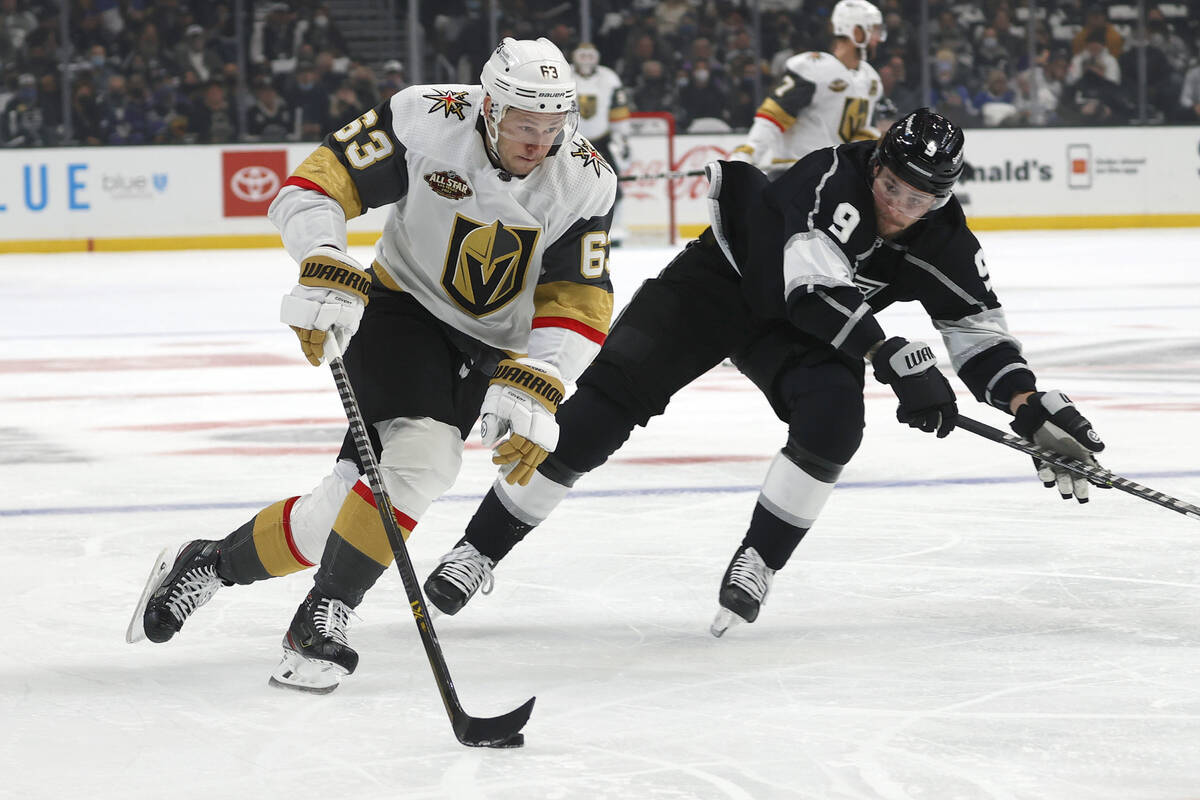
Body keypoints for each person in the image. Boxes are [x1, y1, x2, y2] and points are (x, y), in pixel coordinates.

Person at [422, 108, 1108, 638]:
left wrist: (1027, 402)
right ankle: (477, 549)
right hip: (718, 284)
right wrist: (892, 356)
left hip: (803, 334)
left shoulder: (946, 238)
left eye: (921, 200)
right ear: (876, 166)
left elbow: (976, 331)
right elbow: (809, 288)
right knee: (599, 412)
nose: (901, 208)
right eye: (893, 187)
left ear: (945, 197)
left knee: (835, 426)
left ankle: (760, 558)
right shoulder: (830, 176)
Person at [127, 37, 617, 693]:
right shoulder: (427, 118)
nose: (538, 141)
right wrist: (324, 257)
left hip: (492, 345)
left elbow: (580, 296)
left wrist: (542, 377)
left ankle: (209, 564)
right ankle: (321, 619)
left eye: (552, 127)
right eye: (526, 125)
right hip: (402, 311)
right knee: (424, 460)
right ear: (492, 109)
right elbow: (314, 184)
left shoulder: (584, 179)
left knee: (344, 504)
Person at [730, 0, 885, 175]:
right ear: (857, 32)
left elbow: (859, 135)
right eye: (874, 30)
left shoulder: (870, 79)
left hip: (833, 176)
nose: (878, 38)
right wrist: (749, 151)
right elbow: (774, 114)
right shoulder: (815, 68)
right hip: (796, 173)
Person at [571, 42, 631, 244]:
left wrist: (621, 138)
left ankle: (616, 227)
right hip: (572, 141)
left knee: (613, 184)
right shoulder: (565, 75)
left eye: (590, 55)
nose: (586, 59)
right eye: (582, 55)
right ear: (575, 56)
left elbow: (618, 109)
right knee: (571, 186)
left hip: (603, 141)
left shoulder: (609, 77)